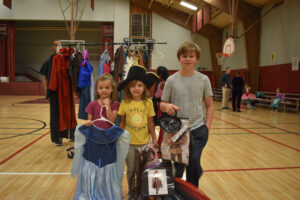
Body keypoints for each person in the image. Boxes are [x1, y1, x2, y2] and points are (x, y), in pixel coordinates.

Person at [160, 41, 214, 187]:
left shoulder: (204, 79)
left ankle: (192, 191)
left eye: (191, 56)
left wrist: (206, 127)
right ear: (179, 58)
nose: (188, 59)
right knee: (178, 168)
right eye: (185, 56)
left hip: (198, 129)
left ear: (196, 59)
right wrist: (166, 107)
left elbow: (209, 105)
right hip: (176, 130)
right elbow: (162, 103)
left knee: (194, 162)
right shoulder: (171, 80)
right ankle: (178, 192)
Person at [72, 73, 129, 199]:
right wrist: (86, 123)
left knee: (107, 168)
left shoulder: (115, 104)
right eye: (101, 88)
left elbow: (113, 120)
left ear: (112, 89)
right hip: (94, 140)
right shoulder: (92, 105)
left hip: (109, 141)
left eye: (107, 88)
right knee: (93, 166)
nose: (104, 90)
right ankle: (93, 191)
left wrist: (107, 105)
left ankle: (106, 192)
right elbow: (89, 122)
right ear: (97, 89)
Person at [117, 65, 159, 200]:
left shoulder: (148, 103)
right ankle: (131, 193)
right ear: (128, 87)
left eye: (139, 85)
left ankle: (141, 193)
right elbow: (122, 122)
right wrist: (118, 138)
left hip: (144, 144)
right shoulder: (125, 102)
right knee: (131, 171)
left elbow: (151, 123)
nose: (136, 88)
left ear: (144, 87)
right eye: (133, 85)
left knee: (142, 171)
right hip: (129, 144)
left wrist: (154, 139)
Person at [39, 40, 68, 146]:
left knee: (67, 113)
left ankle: (69, 134)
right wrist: (47, 93)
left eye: (60, 45)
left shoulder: (66, 60)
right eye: (56, 45)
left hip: (65, 93)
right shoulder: (48, 62)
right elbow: (44, 78)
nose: (58, 47)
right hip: (54, 93)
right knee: (55, 115)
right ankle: (57, 138)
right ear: (53, 47)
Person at [152, 66, 169, 146]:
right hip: (158, 104)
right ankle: (158, 143)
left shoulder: (164, 83)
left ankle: (159, 143)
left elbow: (159, 95)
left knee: (163, 126)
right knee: (161, 126)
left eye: (157, 73)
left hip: (161, 106)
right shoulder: (160, 82)